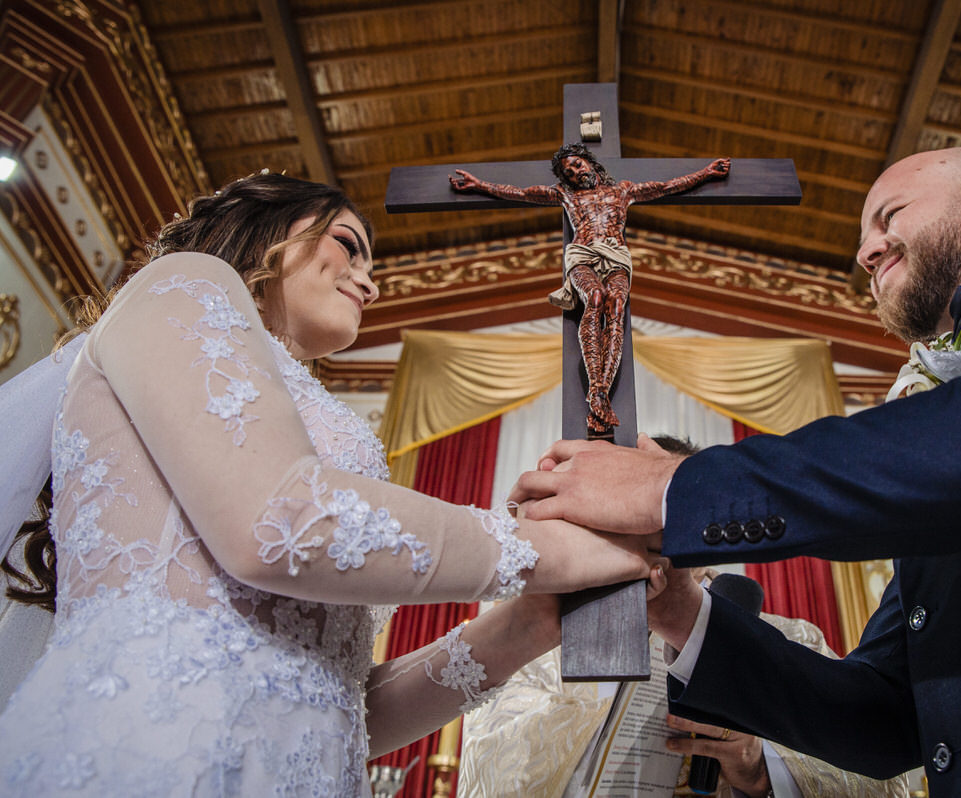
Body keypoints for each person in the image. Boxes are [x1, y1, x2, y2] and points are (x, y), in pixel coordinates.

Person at [510, 147, 961, 795]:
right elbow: (885, 718)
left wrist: (669, 489)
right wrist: (685, 615)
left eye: (888, 217)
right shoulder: (941, 464)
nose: (865, 251)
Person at [0, 172, 651, 795]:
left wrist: (526, 625)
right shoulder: (181, 286)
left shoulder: (292, 399)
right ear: (265, 229)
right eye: (348, 245)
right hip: (150, 758)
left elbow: (342, 708)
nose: (369, 285)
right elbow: (281, 522)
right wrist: (544, 551)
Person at [459, 566, 905, 798]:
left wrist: (760, 767)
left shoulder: (790, 640)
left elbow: (874, 769)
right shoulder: (548, 639)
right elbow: (495, 756)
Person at [450, 144, 730, 433]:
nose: (574, 172)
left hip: (615, 255)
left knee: (617, 305)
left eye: (577, 164)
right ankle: (596, 387)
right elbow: (520, 193)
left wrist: (706, 173)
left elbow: (667, 186)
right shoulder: (565, 195)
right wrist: (479, 184)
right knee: (595, 298)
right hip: (582, 255)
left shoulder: (622, 191)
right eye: (568, 171)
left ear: (589, 162)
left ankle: (600, 393)